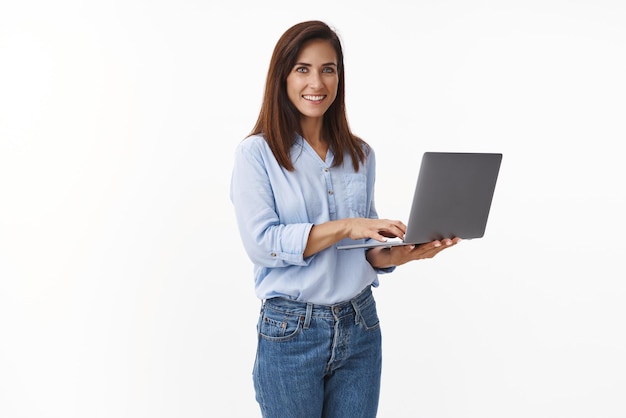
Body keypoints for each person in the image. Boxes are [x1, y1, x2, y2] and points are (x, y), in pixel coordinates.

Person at [230, 20, 461, 418]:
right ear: (282, 77)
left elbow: (363, 251)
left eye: (328, 69)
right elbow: (262, 244)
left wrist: (404, 254)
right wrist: (347, 226)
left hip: (360, 326)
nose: (316, 82)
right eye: (302, 68)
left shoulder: (360, 155)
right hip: (292, 332)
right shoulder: (257, 154)